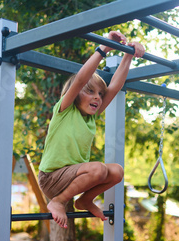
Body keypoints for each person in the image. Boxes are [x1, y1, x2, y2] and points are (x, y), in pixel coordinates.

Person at [38, 31, 145, 228]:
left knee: (116, 172)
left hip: (73, 177)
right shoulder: (64, 110)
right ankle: (58, 201)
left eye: (99, 94)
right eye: (90, 91)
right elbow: (80, 80)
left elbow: (114, 88)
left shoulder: (90, 117)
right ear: (75, 94)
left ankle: (84, 201)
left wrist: (128, 55)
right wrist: (104, 48)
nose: (97, 97)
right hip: (51, 178)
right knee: (98, 168)